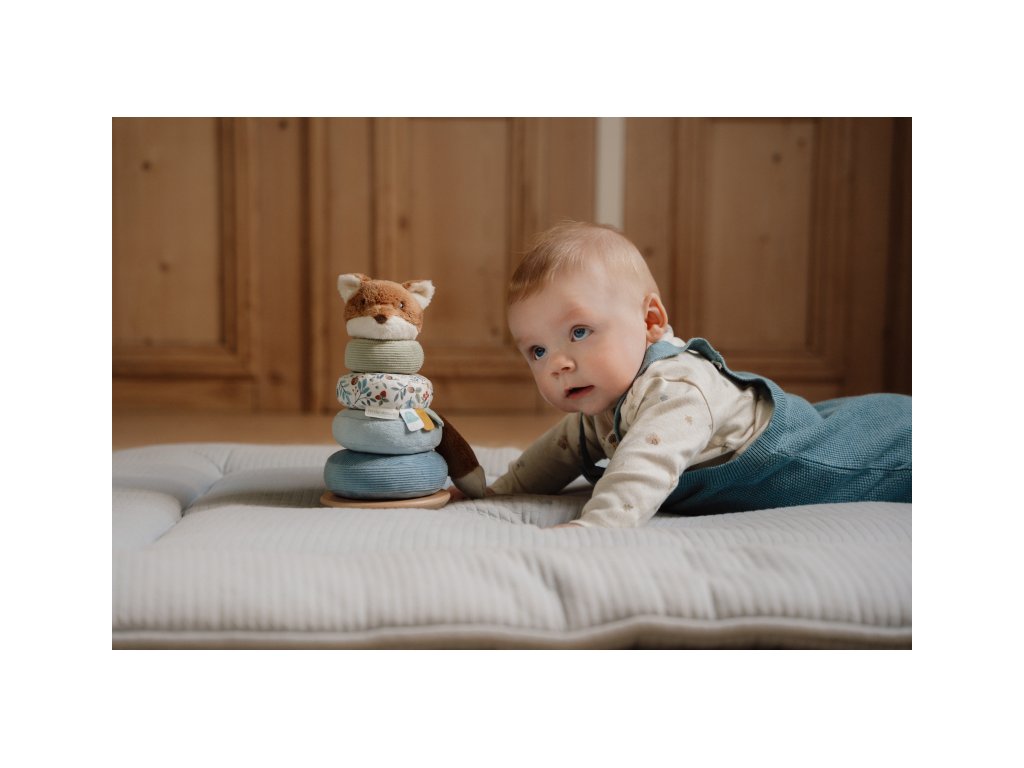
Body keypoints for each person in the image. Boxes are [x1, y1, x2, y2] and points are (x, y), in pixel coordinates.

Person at [465, 221, 911, 528]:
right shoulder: (604, 400)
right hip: (783, 422)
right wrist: (498, 493)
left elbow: (642, 469)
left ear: (650, 321)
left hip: (819, 455)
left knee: (890, 455)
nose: (557, 363)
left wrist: (597, 525)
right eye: (538, 351)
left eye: (579, 332)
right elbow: (559, 451)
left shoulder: (675, 390)